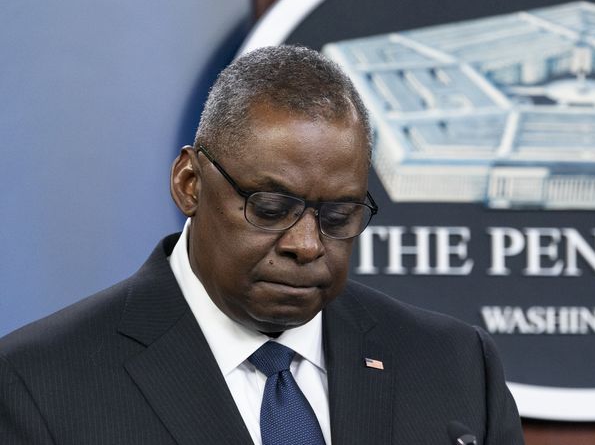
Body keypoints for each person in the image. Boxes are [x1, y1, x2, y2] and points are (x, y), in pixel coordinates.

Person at [0, 45, 524, 444]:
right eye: (270, 208)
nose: (306, 245)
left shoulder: (456, 367)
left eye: (338, 215)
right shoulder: (37, 383)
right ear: (189, 184)